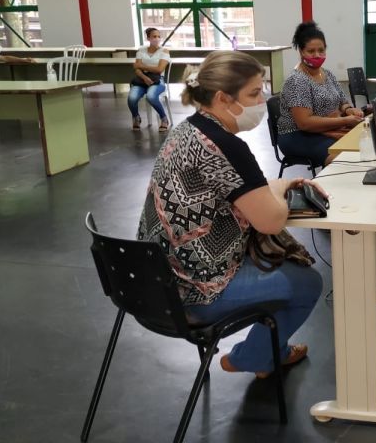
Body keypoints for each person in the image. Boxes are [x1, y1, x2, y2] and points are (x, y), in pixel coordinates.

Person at [137, 50, 323, 379]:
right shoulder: (227, 145)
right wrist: (278, 189)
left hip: (155, 279)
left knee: (281, 267)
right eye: (254, 92)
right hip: (193, 292)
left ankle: (269, 353)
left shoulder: (187, 130)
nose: (263, 98)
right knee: (306, 282)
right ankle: (252, 357)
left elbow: (223, 187)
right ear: (224, 98)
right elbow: (271, 220)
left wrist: (266, 188)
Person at [277, 21, 364, 167]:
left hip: (327, 128)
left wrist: (349, 110)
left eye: (321, 50)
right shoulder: (297, 81)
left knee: (365, 140)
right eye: (311, 51)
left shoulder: (327, 74)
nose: (317, 55)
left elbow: (342, 101)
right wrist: (345, 121)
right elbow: (305, 123)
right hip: (298, 136)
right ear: (301, 52)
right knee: (346, 158)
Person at [129, 27, 170, 132]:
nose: (157, 39)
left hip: (157, 80)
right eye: (154, 36)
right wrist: (144, 77)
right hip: (141, 79)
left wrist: (142, 66)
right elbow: (136, 69)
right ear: (148, 38)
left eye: (158, 36)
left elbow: (159, 69)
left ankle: (164, 119)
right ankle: (136, 117)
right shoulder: (141, 50)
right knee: (131, 98)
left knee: (151, 97)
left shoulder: (164, 51)